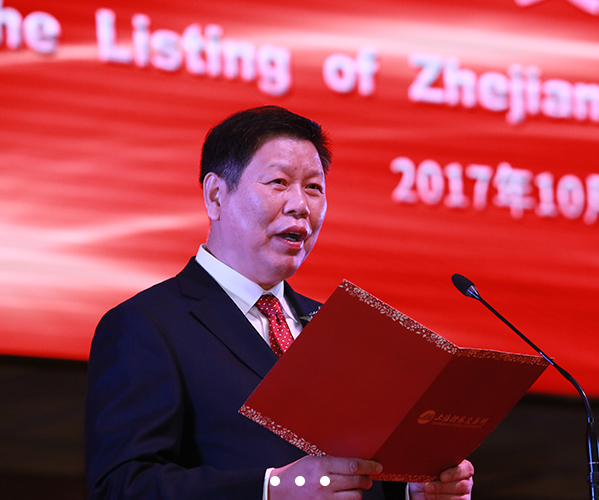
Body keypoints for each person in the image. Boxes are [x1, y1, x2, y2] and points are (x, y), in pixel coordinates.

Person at [85, 106, 474, 500]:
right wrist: (269, 491)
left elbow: (356, 472)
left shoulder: (337, 326)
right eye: (278, 182)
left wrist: (413, 492)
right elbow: (122, 486)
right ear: (216, 195)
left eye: (314, 187)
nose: (300, 205)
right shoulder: (147, 325)